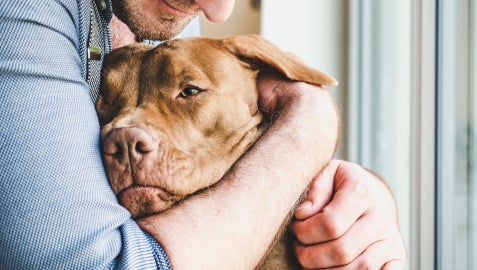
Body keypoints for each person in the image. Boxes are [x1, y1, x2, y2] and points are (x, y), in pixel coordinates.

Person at [0, 0, 406, 269]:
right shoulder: (30, 14)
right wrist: (311, 123)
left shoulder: (159, 21)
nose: (216, 10)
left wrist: (365, 202)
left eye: (189, 92)